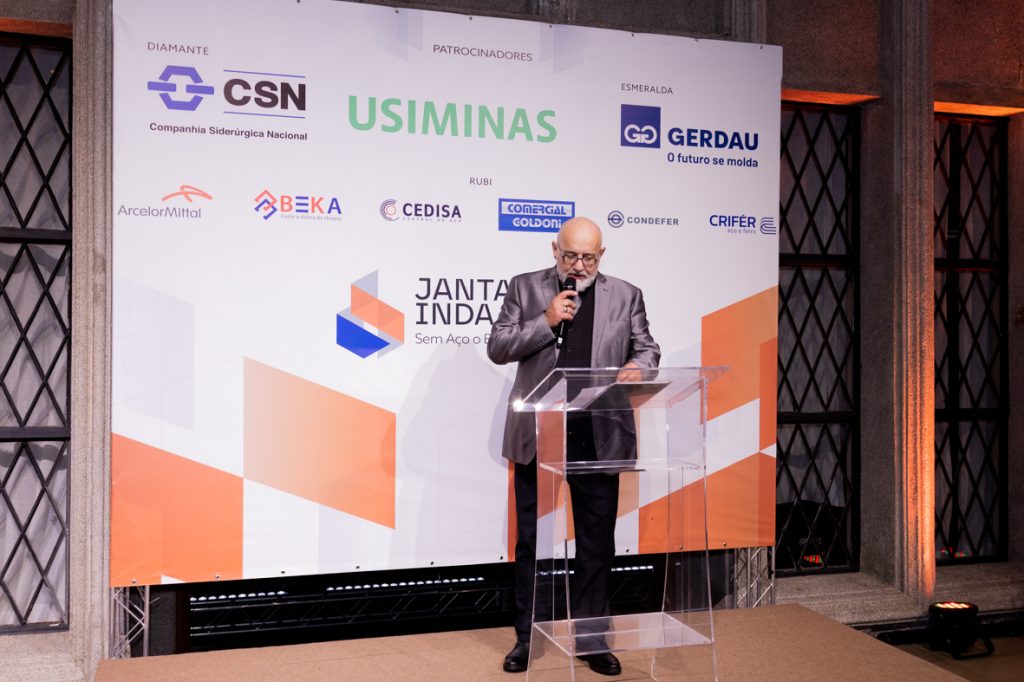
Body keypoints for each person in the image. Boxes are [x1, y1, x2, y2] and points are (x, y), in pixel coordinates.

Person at [487, 216, 660, 675]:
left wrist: (639, 368)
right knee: (531, 541)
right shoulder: (525, 288)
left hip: (598, 432)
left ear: (601, 256)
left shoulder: (627, 295)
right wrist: (546, 320)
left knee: (596, 544)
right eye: (570, 256)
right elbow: (498, 346)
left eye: (588, 258)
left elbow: (647, 349)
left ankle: (592, 639)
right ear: (554, 250)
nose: (578, 266)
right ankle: (527, 637)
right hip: (538, 431)